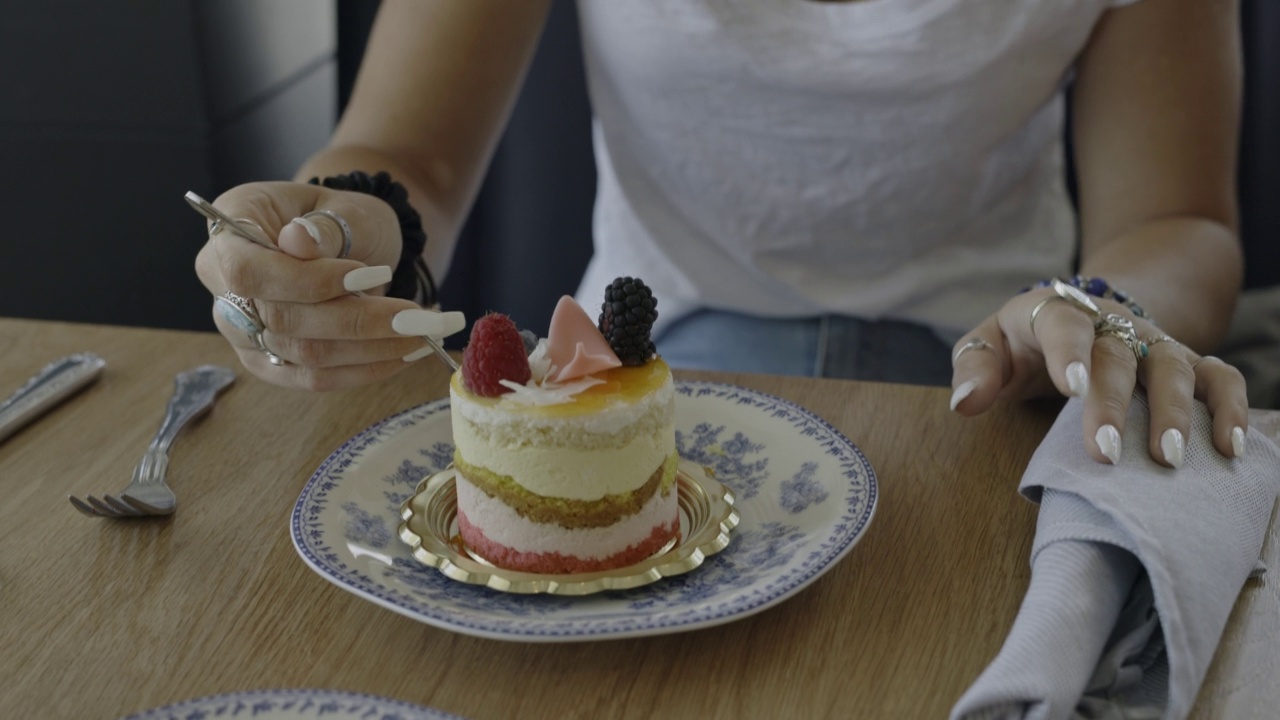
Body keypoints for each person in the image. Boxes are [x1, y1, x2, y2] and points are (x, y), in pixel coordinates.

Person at [194, 0, 1250, 468]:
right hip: (644, 374)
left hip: (1003, 382)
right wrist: (334, 231)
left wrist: (1096, 312)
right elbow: (401, 153)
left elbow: (1176, 220)